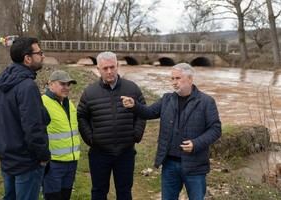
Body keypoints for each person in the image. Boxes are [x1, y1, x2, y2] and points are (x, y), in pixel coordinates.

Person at [121, 63, 221, 200]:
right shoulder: (167, 99)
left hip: (195, 165)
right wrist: (135, 106)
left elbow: (215, 129)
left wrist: (196, 143)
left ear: (190, 79)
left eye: (178, 78)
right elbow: (148, 112)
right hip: (169, 164)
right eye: (172, 79)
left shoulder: (206, 102)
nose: (174, 82)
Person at [77, 51, 146, 200]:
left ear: (118, 66)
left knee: (124, 191)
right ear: (98, 69)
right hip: (99, 153)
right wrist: (91, 139)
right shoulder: (90, 92)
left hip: (125, 152)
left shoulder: (132, 88)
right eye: (105, 68)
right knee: (99, 191)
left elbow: (142, 112)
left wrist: (136, 135)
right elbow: (82, 116)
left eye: (112, 67)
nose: (109, 71)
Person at [0, 37, 50, 200]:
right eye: (39, 53)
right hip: (26, 161)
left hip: (7, 156)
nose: (43, 56)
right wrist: (43, 156)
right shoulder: (27, 86)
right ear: (27, 58)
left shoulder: (4, 81)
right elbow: (33, 127)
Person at [42, 70, 81, 200]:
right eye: (62, 84)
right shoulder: (42, 102)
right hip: (53, 164)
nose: (66, 88)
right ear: (51, 84)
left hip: (71, 162)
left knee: (65, 196)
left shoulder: (68, 103)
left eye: (68, 84)